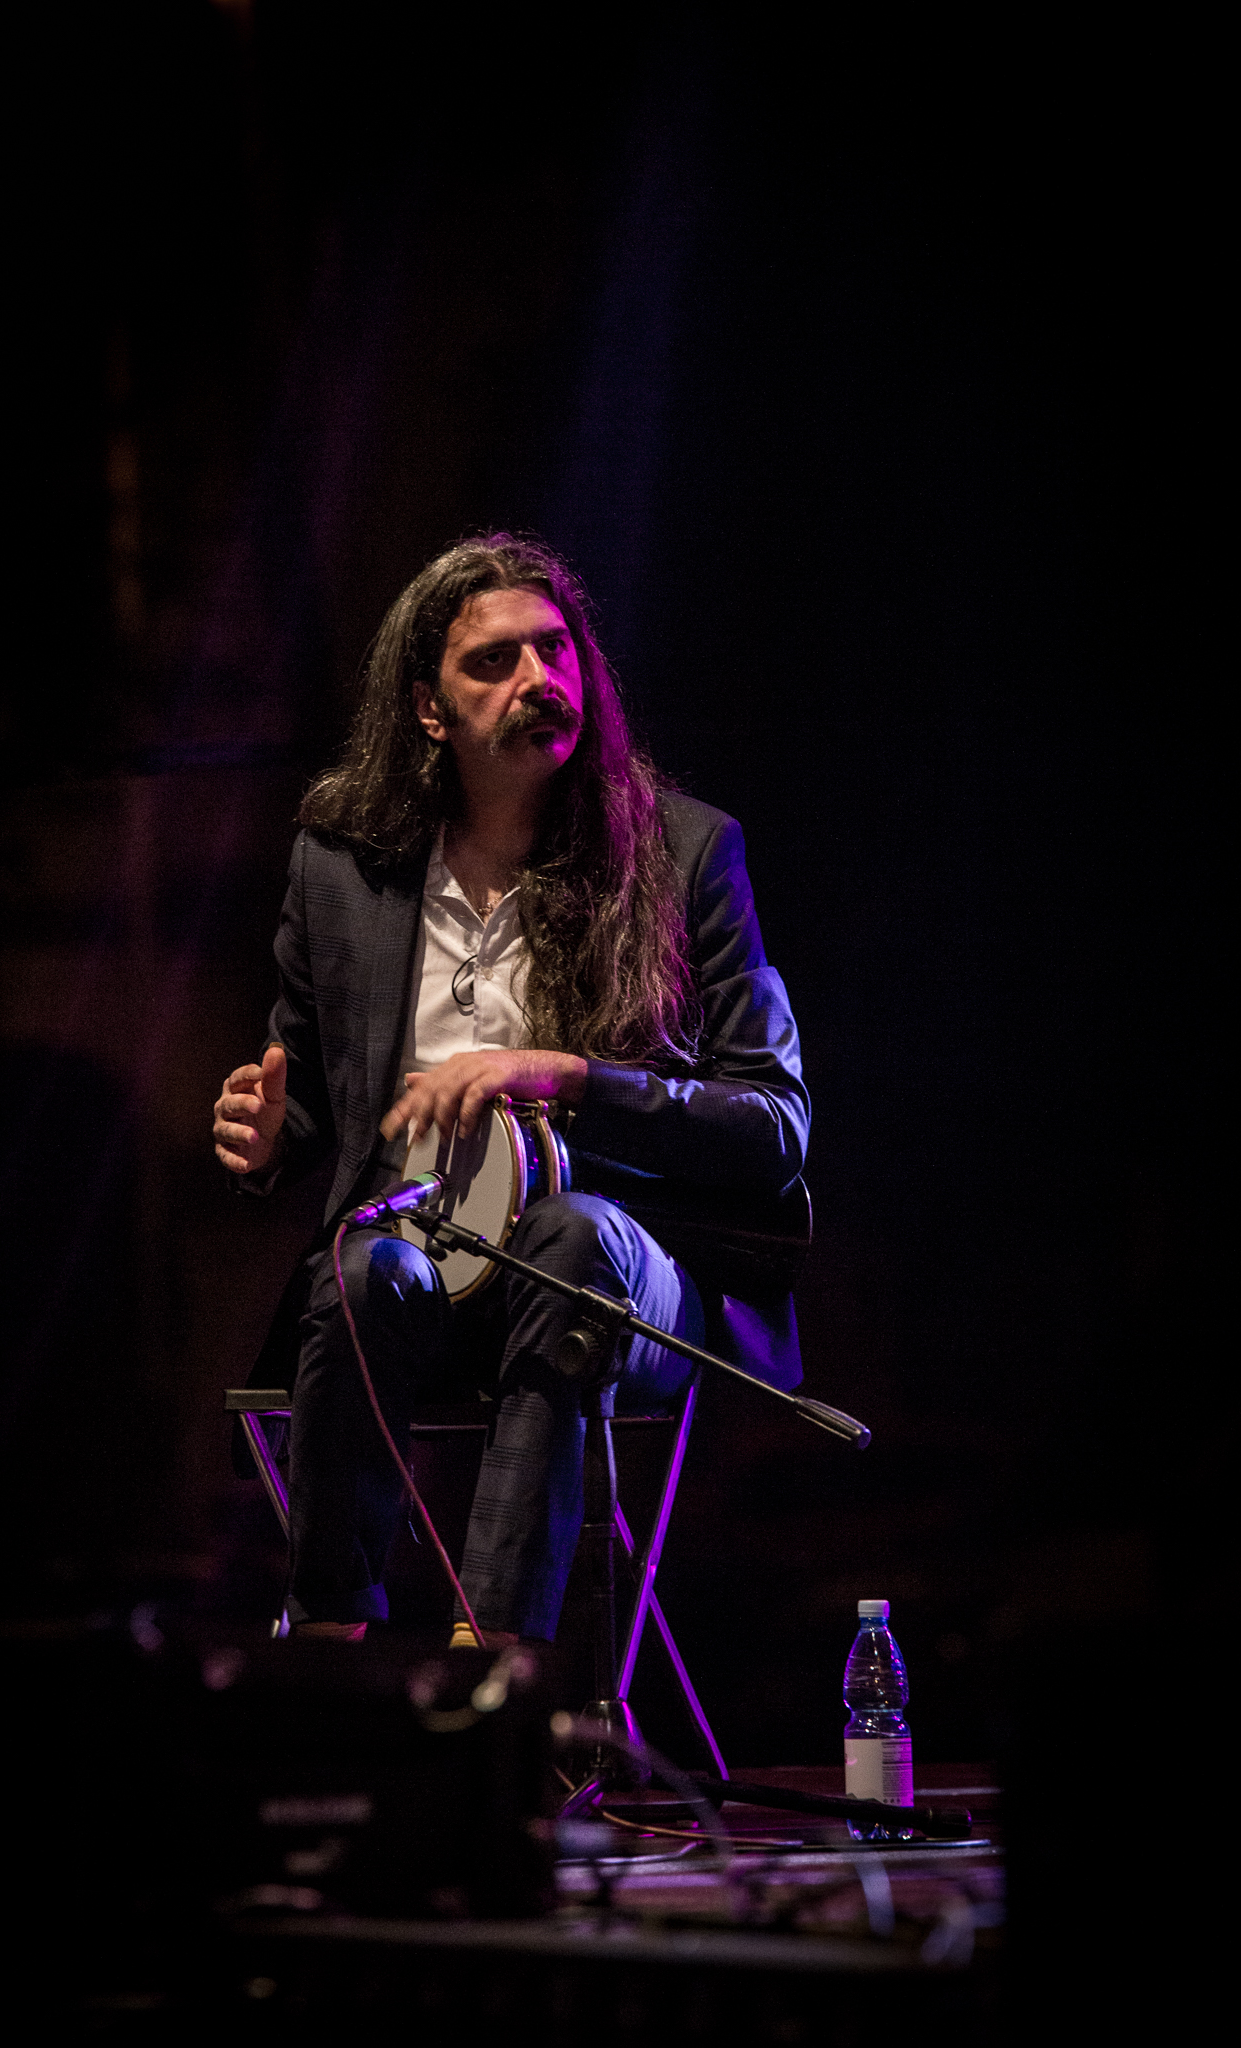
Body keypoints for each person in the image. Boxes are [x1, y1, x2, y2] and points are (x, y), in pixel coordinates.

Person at [212, 535, 809, 1645]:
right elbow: (309, 1104)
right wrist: (265, 1134)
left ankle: (493, 1674)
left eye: (555, 649)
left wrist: (563, 1074)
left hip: (619, 1281)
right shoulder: (342, 870)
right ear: (428, 708)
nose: (539, 678)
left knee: (571, 1236)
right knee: (360, 1268)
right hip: (417, 1280)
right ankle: (330, 1652)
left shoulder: (685, 854)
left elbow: (773, 1128)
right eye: (494, 661)